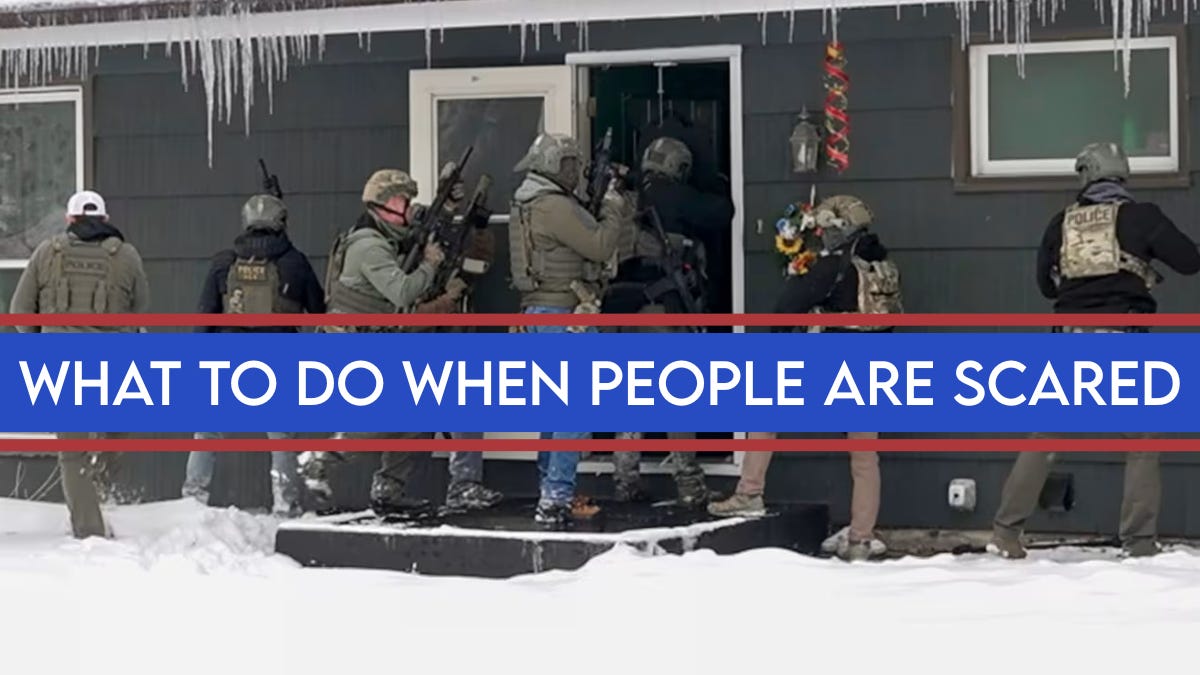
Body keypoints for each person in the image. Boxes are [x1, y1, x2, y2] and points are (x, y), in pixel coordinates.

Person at [989, 142, 1200, 560]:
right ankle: (1138, 542)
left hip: (1070, 340)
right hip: (1124, 339)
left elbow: (1046, 286)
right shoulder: (1142, 218)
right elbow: (1190, 261)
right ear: (1123, 175)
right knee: (1141, 438)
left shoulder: (1060, 223)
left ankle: (1006, 533)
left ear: (1085, 176)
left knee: (1045, 436)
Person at [707, 194, 900, 562]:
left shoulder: (834, 266)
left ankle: (749, 492)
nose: (823, 236)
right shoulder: (882, 265)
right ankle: (860, 538)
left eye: (827, 230)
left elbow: (785, 308)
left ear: (841, 231)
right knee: (864, 458)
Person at [298, 167, 462, 516]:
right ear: (386, 205)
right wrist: (431, 266)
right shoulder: (369, 246)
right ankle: (321, 457)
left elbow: (418, 231)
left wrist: (444, 207)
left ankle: (390, 488)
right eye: (404, 201)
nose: (409, 208)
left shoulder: (383, 236)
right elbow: (403, 291)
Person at [10, 189, 150, 539]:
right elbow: (143, 313)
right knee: (114, 435)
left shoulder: (47, 252)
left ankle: (89, 530)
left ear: (70, 219)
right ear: (104, 220)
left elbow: (20, 311)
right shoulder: (127, 256)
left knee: (72, 452)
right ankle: (98, 492)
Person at [603, 136, 732, 507]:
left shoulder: (621, 197)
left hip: (617, 310)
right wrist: (715, 182)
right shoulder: (671, 193)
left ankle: (624, 481)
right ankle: (689, 484)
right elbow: (721, 212)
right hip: (658, 310)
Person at [509, 132, 630, 526]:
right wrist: (613, 204)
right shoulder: (553, 206)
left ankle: (553, 488)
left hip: (543, 316)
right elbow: (598, 246)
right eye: (569, 164)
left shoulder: (531, 201)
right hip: (562, 318)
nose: (574, 171)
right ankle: (556, 496)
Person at [182, 193, 325, 518]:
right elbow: (318, 310)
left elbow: (206, 315)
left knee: (207, 431)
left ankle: (192, 500)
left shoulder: (223, 261)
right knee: (280, 435)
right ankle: (285, 505)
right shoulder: (295, 262)